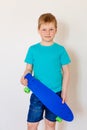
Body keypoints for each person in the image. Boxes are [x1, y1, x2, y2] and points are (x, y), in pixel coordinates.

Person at [20, 13, 71, 130]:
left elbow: (67, 72)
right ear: (39, 30)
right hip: (38, 93)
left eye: (51, 29)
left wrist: (64, 92)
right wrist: (24, 76)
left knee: (50, 124)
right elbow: (28, 68)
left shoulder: (60, 50)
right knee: (31, 125)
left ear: (56, 30)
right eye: (44, 29)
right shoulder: (33, 49)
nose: (48, 33)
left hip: (55, 94)